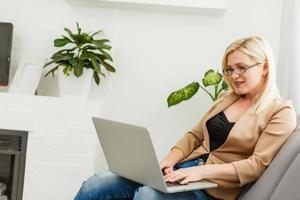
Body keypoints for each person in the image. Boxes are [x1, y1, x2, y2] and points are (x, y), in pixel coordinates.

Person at [74, 36, 296, 200]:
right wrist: (167, 161)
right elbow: (194, 136)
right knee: (96, 184)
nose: (233, 76)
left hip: (212, 190)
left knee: (147, 196)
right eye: (228, 70)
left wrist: (199, 172)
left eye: (241, 68)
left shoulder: (280, 112)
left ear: (265, 67)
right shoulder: (226, 98)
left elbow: (255, 166)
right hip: (183, 172)